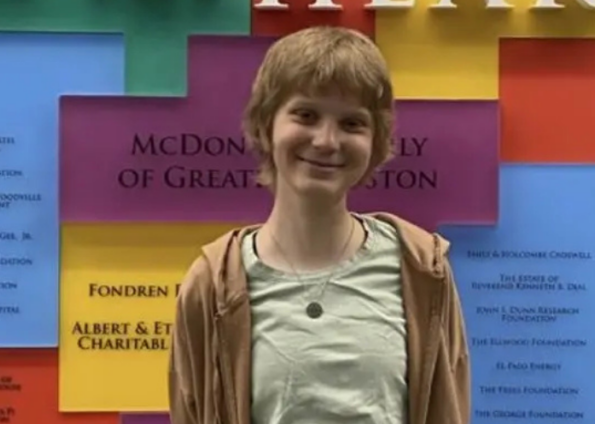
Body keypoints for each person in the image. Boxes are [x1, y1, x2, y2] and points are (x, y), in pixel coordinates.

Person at [167, 26, 471, 424]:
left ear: (375, 140)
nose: (327, 140)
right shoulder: (213, 284)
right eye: (306, 115)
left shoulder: (421, 269)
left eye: (352, 123)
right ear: (266, 123)